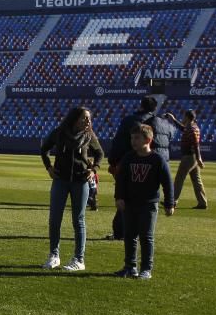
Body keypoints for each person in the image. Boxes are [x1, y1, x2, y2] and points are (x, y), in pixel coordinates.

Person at [39, 106, 104, 271]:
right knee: (55, 218)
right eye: (85, 118)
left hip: (80, 181)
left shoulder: (89, 135)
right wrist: (49, 167)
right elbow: (44, 149)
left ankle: (79, 259)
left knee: (79, 220)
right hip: (60, 180)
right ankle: (54, 256)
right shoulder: (59, 132)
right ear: (74, 118)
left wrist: (93, 169)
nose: (88, 121)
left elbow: (100, 154)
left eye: (89, 118)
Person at [106, 96, 175, 240]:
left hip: (136, 164)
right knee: (148, 200)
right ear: (155, 108)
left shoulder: (131, 121)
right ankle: (139, 232)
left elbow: (119, 143)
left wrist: (113, 162)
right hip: (158, 164)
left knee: (128, 198)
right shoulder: (164, 123)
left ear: (141, 106)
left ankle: (123, 232)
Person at [114, 123, 175, 280]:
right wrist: (119, 197)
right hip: (129, 203)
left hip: (148, 204)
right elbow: (121, 179)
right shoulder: (128, 157)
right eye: (132, 138)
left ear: (148, 139)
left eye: (137, 138)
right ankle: (130, 266)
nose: (133, 141)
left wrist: (169, 203)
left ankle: (146, 268)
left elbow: (167, 183)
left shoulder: (157, 159)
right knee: (129, 235)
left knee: (146, 236)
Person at [163, 109, 208, 210]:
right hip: (192, 157)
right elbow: (183, 128)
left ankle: (172, 201)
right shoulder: (192, 127)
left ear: (187, 117)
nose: (183, 118)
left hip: (189, 157)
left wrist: (199, 158)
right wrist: (173, 120)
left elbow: (196, 145)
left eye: (184, 117)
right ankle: (202, 202)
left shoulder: (192, 129)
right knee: (196, 180)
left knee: (179, 179)